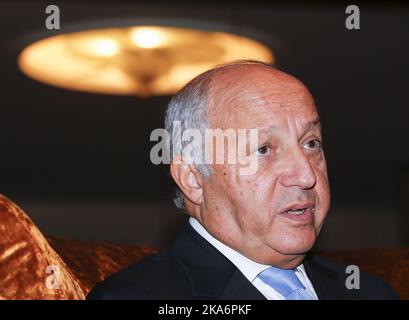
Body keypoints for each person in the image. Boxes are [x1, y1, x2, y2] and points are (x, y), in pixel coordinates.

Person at [87, 60, 398, 300]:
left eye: (311, 143)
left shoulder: (371, 292)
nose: (306, 175)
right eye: (264, 149)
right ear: (193, 178)